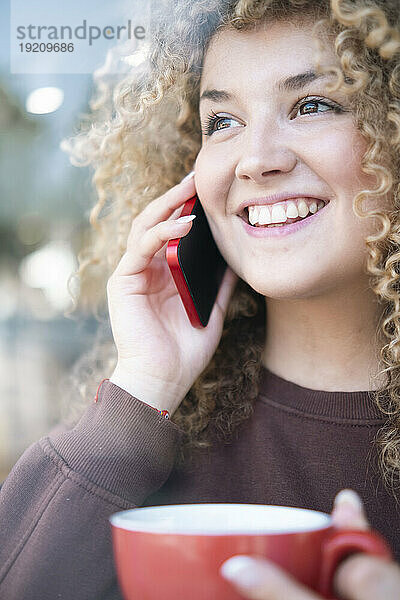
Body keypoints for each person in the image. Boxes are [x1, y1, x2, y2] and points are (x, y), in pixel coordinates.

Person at [1, 0, 400, 598]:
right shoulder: (142, 438)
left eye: (313, 105)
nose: (257, 160)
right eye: (222, 122)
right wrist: (142, 386)